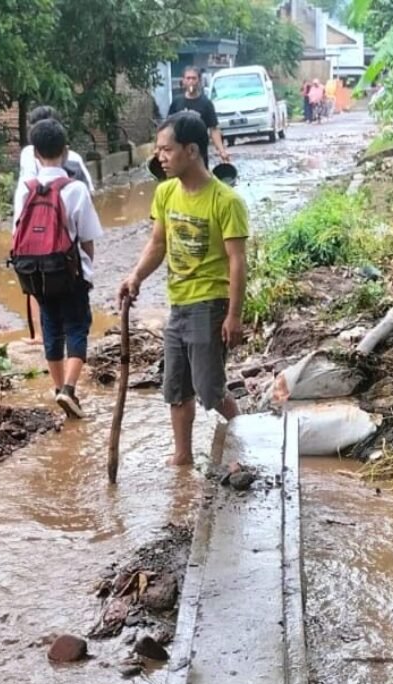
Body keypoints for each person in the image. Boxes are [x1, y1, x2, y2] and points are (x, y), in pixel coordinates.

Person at [117, 112, 248, 465]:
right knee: (176, 389)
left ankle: (245, 434)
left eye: (167, 149)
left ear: (192, 151)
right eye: (158, 150)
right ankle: (182, 457)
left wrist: (234, 315)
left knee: (210, 389)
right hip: (178, 303)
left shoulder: (226, 201)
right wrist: (135, 277)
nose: (160, 157)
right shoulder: (165, 193)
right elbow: (157, 244)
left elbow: (237, 260)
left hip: (211, 304)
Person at [13, 118, 104, 419]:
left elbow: (17, 232)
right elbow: (87, 238)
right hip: (69, 272)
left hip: (36, 273)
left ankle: (56, 389)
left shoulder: (24, 190)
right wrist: (87, 269)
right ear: (65, 152)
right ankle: (69, 388)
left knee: (51, 327)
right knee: (77, 326)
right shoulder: (75, 189)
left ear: (35, 154)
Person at [17, 106, 94, 345]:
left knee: (34, 276)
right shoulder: (75, 161)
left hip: (32, 234)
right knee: (74, 307)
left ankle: (41, 335)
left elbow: (23, 192)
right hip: (68, 239)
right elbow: (89, 191)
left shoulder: (28, 154)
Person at [168, 67, 231, 164]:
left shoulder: (206, 103)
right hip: (180, 152)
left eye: (194, 78)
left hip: (199, 153)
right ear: (183, 81)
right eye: (188, 78)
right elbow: (169, 128)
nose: (191, 81)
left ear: (199, 81)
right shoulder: (176, 102)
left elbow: (213, 129)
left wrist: (221, 151)